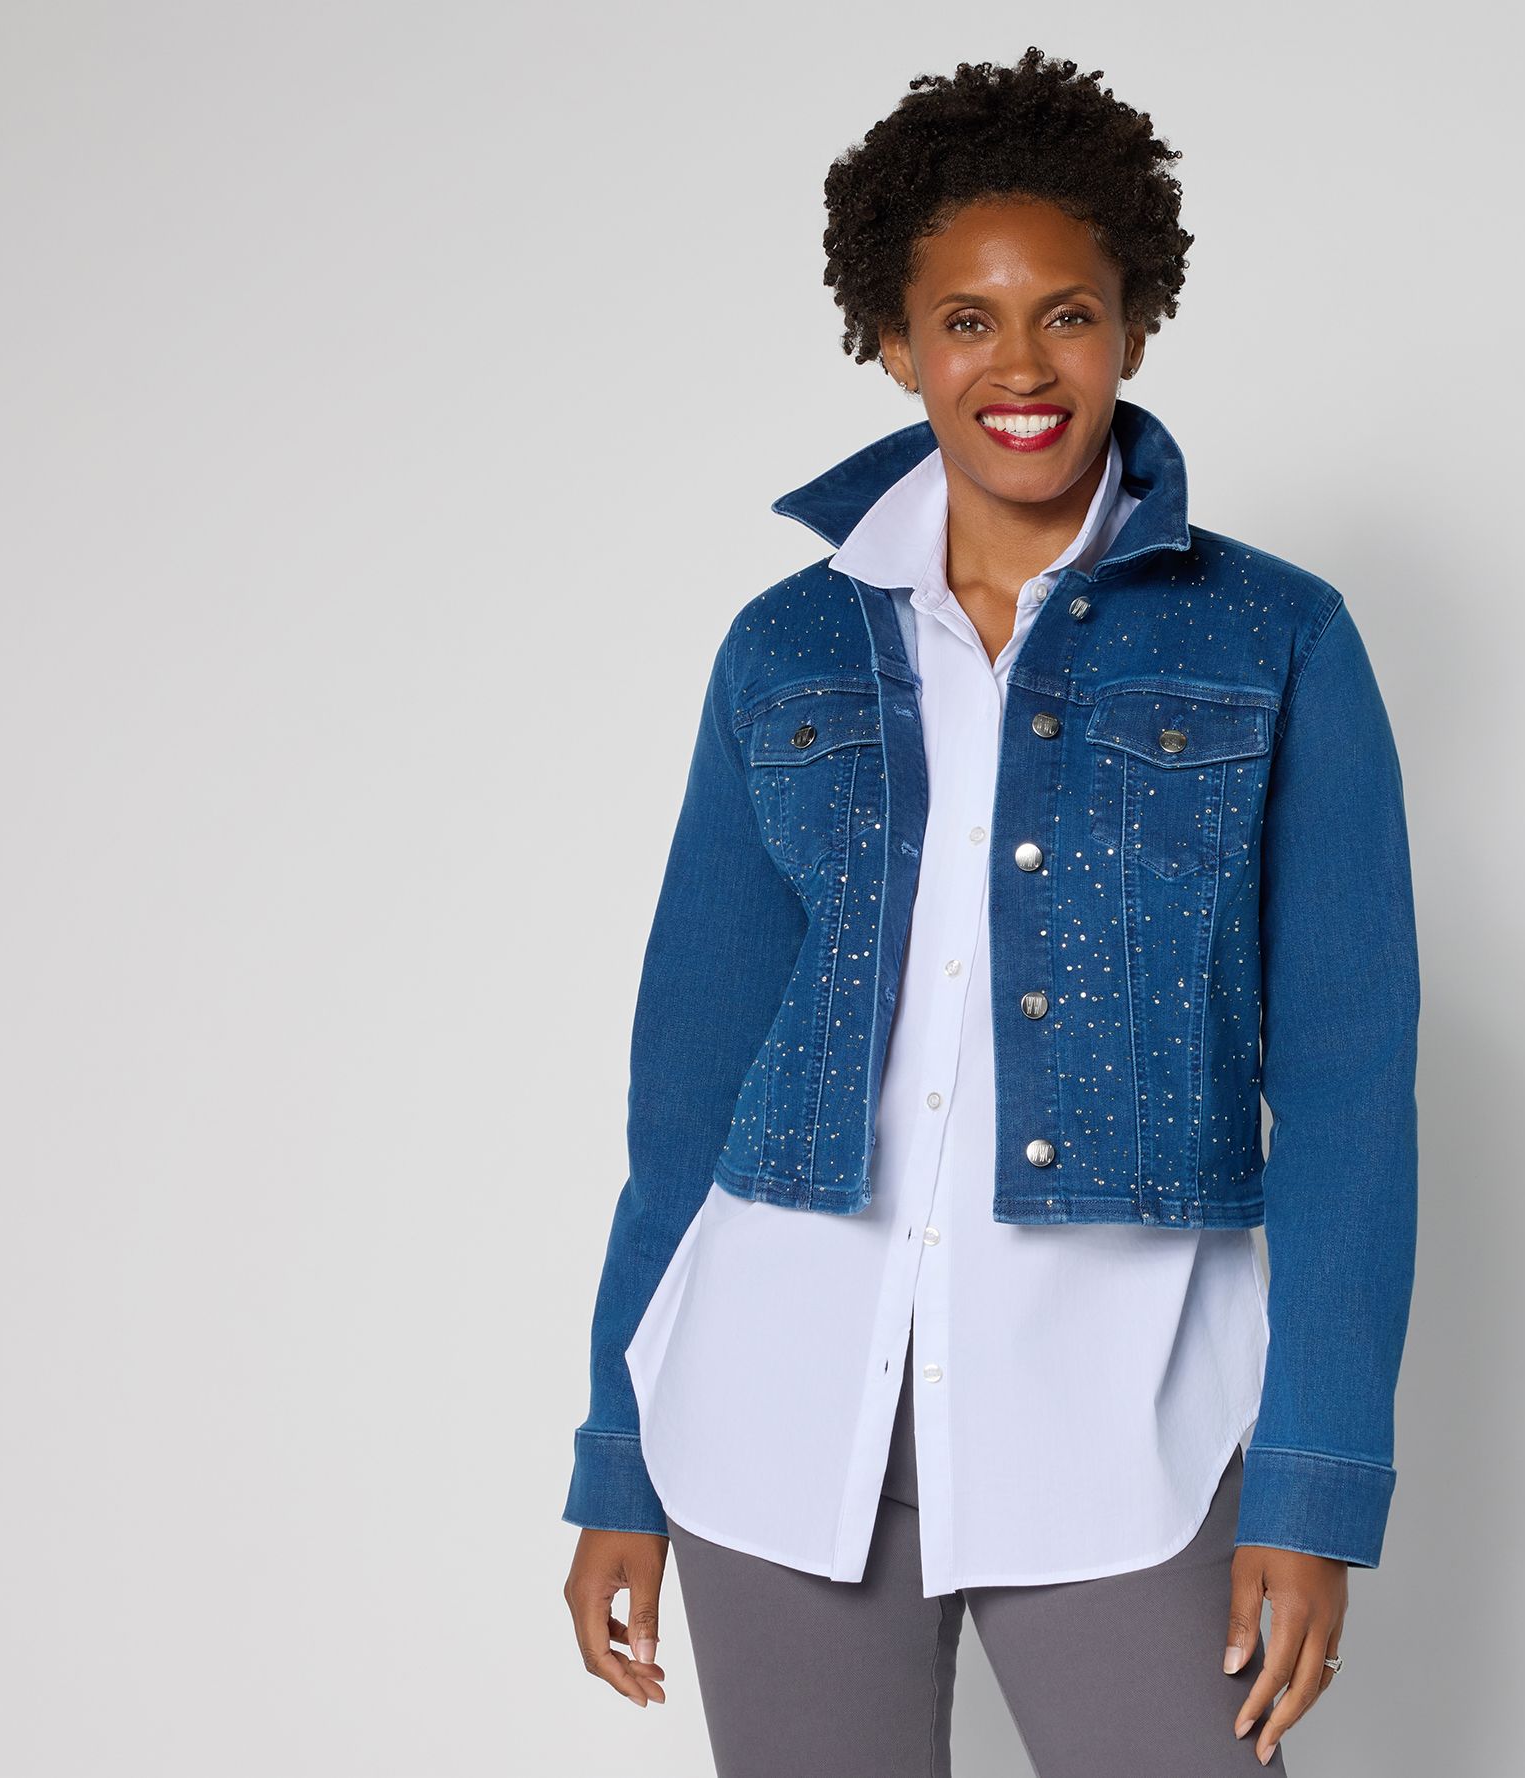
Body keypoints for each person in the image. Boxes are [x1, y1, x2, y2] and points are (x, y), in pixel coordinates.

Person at [561, 46, 1420, 1776]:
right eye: (967, 320)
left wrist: (1316, 1480)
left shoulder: (1275, 639)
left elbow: (1347, 1087)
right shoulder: (787, 647)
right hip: (776, 1412)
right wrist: (619, 1451)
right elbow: (688, 1085)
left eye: (1068, 316)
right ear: (895, 342)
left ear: (1134, 328)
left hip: (1121, 1419)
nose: (1020, 367)